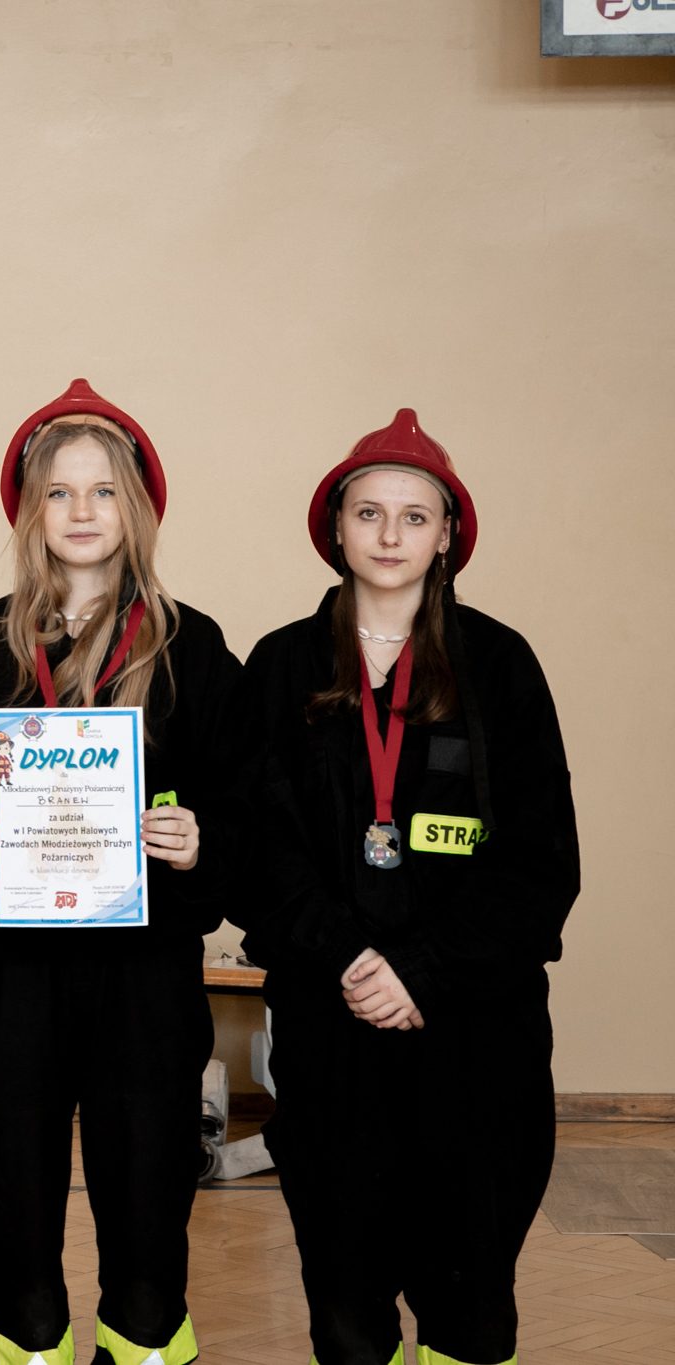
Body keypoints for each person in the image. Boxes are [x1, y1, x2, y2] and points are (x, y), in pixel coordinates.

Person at [232, 410, 578, 1365]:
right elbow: (257, 851)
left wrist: (420, 969)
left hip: (475, 1042)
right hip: (329, 1033)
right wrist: (350, 958)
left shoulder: (501, 666)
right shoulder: (280, 665)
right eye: (369, 513)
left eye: (415, 516)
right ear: (335, 527)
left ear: (447, 534)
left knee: (472, 1311)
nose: (390, 535)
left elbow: (541, 864)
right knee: (346, 1313)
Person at [0, 380, 240, 1365]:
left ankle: (144, 1345)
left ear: (136, 506)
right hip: (9, 980)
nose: (80, 512)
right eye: (58, 493)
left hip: (143, 981)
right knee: (15, 1221)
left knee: (147, 1218)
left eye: (103, 491)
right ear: (28, 510)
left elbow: (245, 813)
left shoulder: (193, 649)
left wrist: (200, 843)